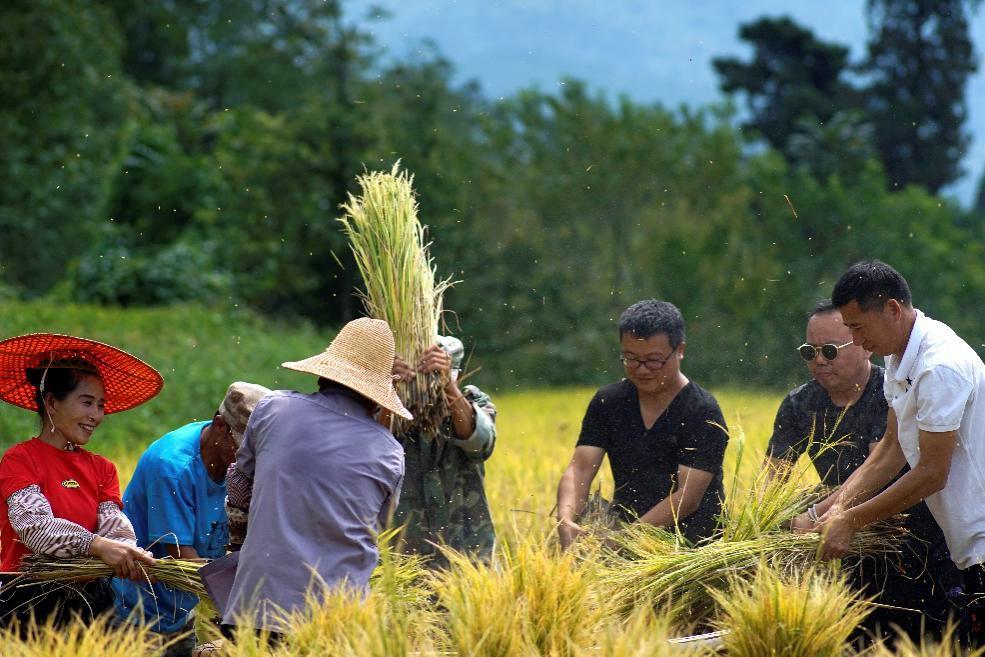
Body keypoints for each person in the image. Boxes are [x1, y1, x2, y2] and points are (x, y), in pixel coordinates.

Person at [793, 261, 985, 645]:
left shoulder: (939, 367)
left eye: (859, 327)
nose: (857, 340)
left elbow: (932, 472)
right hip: (968, 545)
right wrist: (835, 509)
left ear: (893, 310)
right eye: (849, 329)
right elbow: (891, 448)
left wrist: (851, 521)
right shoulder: (899, 355)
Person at [765, 299, 960, 642]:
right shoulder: (799, 405)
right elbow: (772, 480)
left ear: (863, 346)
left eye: (830, 350)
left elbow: (877, 471)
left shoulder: (890, 391)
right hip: (843, 546)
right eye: (809, 352)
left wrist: (815, 514)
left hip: (906, 542)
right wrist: (770, 522)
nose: (819, 361)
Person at [221, 318, 410, 635]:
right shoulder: (390, 452)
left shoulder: (273, 410)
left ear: (323, 373)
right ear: (378, 395)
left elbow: (242, 481)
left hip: (256, 608)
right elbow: (376, 528)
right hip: (340, 620)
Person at [0, 333, 162, 630]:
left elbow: (115, 527)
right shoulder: (20, 459)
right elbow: (34, 527)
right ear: (51, 402)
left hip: (89, 601)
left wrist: (128, 551)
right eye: (87, 402)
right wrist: (97, 546)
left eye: (100, 405)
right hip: (26, 599)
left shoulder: (102, 468)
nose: (96, 415)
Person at [111, 381, 270, 656]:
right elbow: (182, 557)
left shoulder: (236, 466)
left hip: (183, 609)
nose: (249, 458)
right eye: (244, 447)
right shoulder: (172, 467)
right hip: (139, 612)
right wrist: (249, 611)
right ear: (220, 425)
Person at [556, 299, 729, 549]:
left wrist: (624, 542)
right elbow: (580, 469)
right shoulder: (608, 402)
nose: (642, 369)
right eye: (631, 359)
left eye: (654, 360)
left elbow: (687, 498)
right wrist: (565, 520)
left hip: (692, 546)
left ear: (679, 350)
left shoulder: (702, 411)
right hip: (624, 529)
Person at [384, 335, 497, 566]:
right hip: (401, 555)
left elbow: (480, 444)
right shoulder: (389, 407)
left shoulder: (473, 402)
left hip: (467, 552)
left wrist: (448, 387)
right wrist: (387, 388)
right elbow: (369, 446)